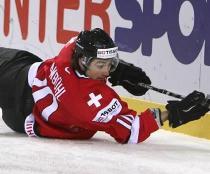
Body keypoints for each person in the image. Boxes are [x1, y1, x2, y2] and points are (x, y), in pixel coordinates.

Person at [0, 28, 209, 144]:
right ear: (82, 60)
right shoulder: (87, 101)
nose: (107, 72)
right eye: (101, 65)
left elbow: (80, 40)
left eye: (111, 65)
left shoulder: (72, 53)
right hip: (20, 85)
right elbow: (132, 130)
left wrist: (121, 70)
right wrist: (175, 114)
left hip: (20, 85)